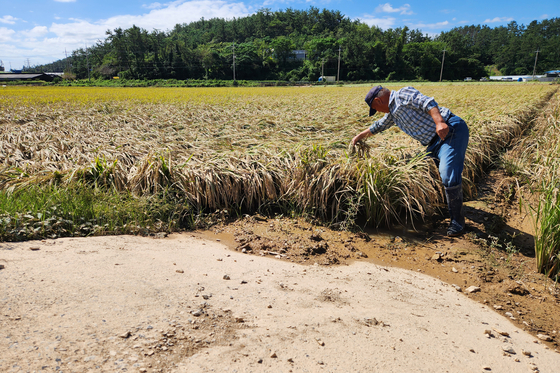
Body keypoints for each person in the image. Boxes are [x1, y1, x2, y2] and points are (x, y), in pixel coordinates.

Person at [351, 86, 469, 237]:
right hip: (434, 143)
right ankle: (443, 208)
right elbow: (378, 126)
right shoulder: (393, 114)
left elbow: (427, 102)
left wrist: (439, 122)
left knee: (447, 173)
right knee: (424, 173)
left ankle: (457, 223)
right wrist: (358, 137)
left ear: (378, 100)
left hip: (450, 131)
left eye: (376, 108)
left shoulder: (402, 95)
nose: (379, 112)